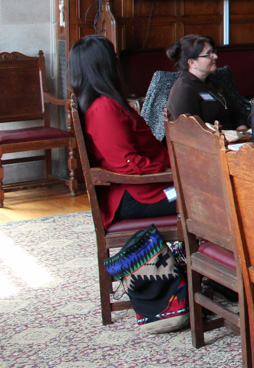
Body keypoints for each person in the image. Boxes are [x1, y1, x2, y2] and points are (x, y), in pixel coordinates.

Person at [67, 35, 175, 225]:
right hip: (140, 194)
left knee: (206, 191)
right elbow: (127, 164)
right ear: (105, 66)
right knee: (210, 199)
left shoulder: (104, 103)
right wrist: (170, 168)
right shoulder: (103, 108)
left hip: (150, 186)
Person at [165, 35, 250, 129]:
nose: (215, 56)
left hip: (232, 139)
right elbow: (189, 132)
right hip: (208, 142)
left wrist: (241, 128)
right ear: (192, 63)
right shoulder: (183, 90)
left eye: (213, 52)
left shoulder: (212, 82)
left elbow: (233, 113)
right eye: (208, 54)